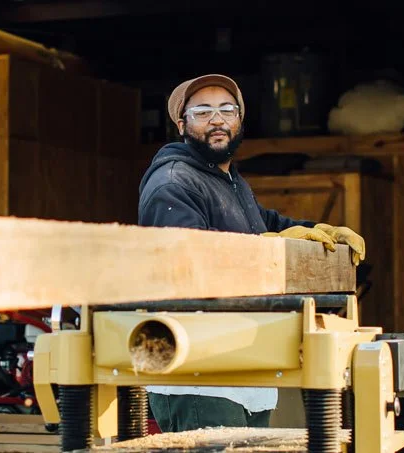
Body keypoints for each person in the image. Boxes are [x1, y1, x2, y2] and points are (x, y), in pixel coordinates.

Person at [137, 74, 366, 433]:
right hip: (199, 374)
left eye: (228, 110)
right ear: (181, 125)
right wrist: (272, 242)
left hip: (243, 370)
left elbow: (263, 222)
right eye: (203, 112)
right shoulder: (173, 182)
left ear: (240, 121)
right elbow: (193, 259)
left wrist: (315, 230)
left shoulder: (226, 178)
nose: (217, 120)